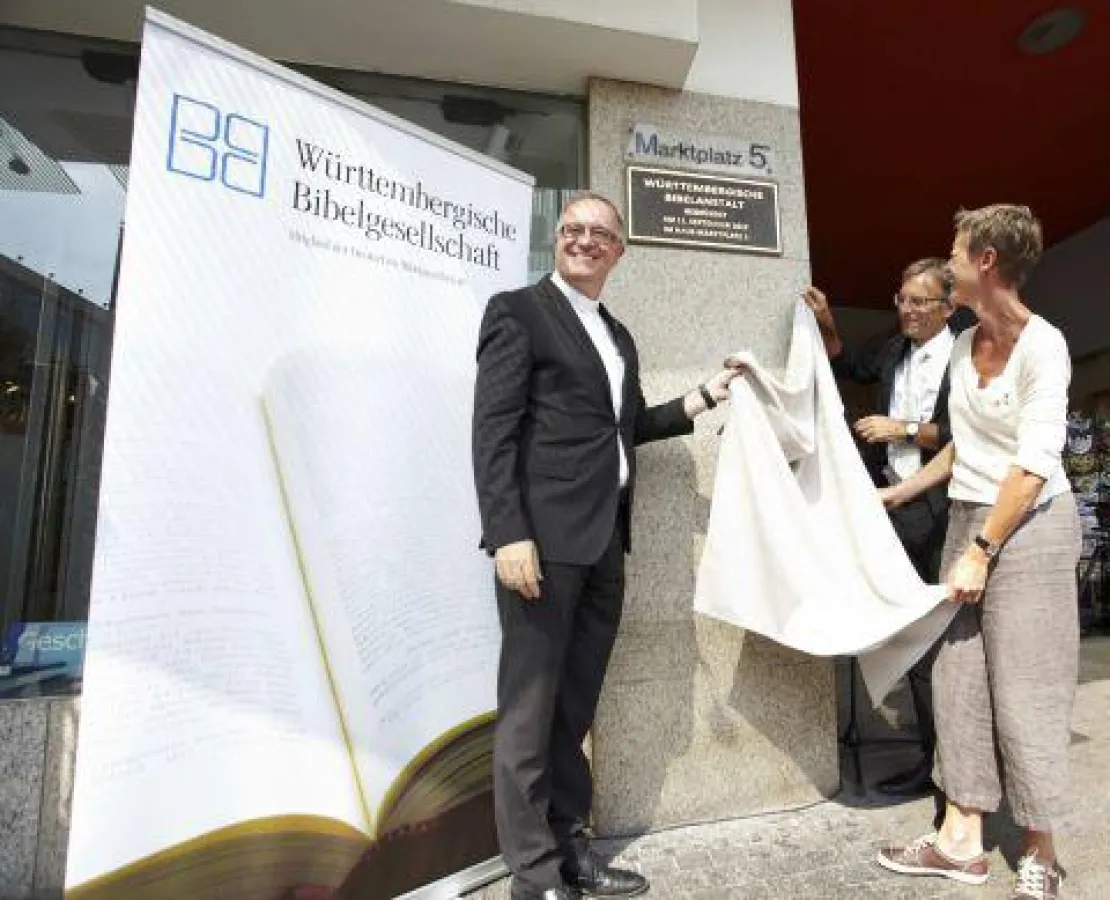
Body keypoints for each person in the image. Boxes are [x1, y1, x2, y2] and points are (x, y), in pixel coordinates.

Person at [471, 191, 741, 900]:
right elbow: (492, 431)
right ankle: (534, 878)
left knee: (574, 709)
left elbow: (622, 430)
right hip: (541, 546)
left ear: (619, 251)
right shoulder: (518, 312)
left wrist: (703, 397)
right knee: (530, 715)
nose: (586, 240)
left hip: (602, 548)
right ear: (558, 239)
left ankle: (571, 852)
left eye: (601, 234)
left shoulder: (617, 336)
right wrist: (508, 533)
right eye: (574, 229)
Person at [876, 205, 1080, 900]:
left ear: (986, 260)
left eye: (956, 251)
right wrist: (900, 496)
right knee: (958, 680)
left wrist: (983, 550)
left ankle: (1041, 849)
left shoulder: (1043, 345)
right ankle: (961, 839)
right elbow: (965, 443)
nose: (950, 260)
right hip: (970, 517)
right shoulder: (964, 347)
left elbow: (1032, 462)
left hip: (1031, 525)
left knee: (1026, 688)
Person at [805, 259, 957, 798]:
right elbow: (844, 363)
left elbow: (969, 438)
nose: (908, 310)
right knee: (911, 639)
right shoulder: (894, 350)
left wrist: (904, 429)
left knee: (941, 643)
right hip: (893, 509)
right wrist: (825, 321)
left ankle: (951, 767)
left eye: (920, 302)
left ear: (949, 307)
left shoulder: (965, 357)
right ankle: (928, 761)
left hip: (942, 513)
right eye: (902, 299)